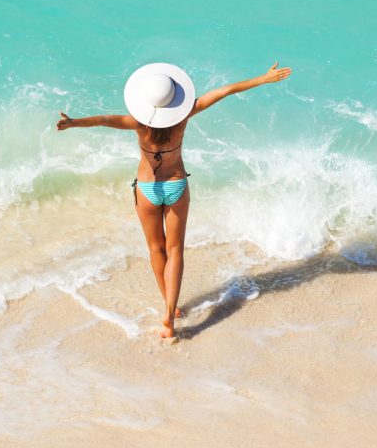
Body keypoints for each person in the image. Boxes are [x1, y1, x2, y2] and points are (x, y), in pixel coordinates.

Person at [56, 62, 292, 339]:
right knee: (176, 249)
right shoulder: (183, 117)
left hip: (147, 188)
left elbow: (104, 120)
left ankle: (172, 305)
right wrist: (263, 79)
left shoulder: (136, 124)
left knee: (157, 249)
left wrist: (73, 123)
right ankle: (168, 314)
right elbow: (224, 91)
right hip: (176, 185)